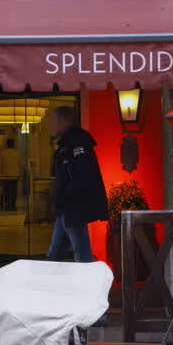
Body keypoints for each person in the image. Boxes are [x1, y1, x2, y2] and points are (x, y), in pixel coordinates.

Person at [46, 106, 107, 262]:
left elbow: (83, 175)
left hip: (73, 208)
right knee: (56, 253)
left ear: (63, 121)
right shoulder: (67, 143)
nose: (50, 124)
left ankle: (89, 285)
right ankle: (50, 283)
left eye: (53, 120)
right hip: (66, 208)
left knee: (81, 255)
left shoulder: (76, 142)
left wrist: (65, 195)